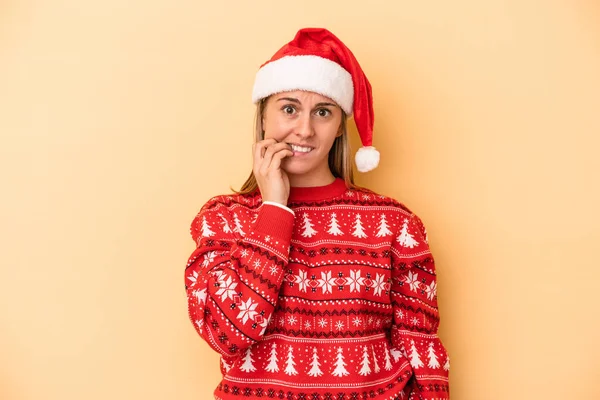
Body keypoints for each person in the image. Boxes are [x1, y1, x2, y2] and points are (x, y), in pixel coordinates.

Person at [184, 28, 450, 400]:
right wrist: (274, 208)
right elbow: (226, 333)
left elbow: (423, 355)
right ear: (263, 117)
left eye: (322, 112)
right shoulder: (223, 220)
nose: (304, 130)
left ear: (340, 125)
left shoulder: (394, 224)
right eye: (289, 108)